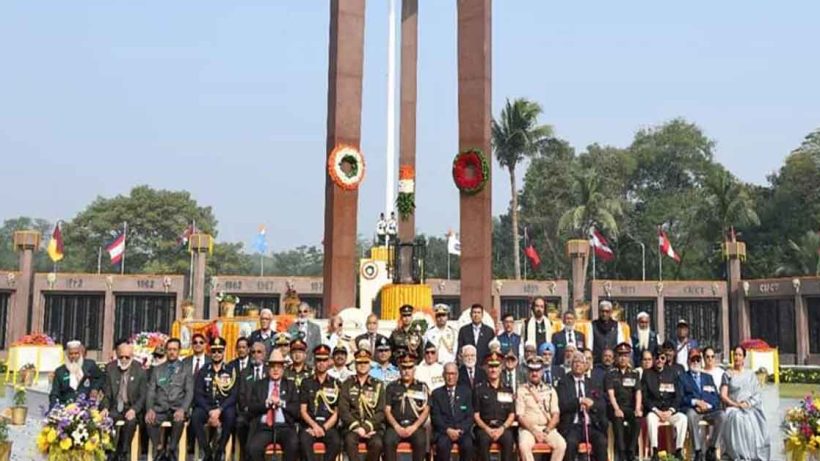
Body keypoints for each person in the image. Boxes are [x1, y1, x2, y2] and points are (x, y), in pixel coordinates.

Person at [245, 349, 299, 461]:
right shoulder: (259, 385)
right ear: (268, 368)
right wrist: (266, 403)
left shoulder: (290, 385)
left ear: (283, 369)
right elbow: (251, 407)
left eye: (279, 367)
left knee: (293, 445)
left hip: (285, 426)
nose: (275, 369)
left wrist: (282, 403)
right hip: (265, 428)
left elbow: (296, 410)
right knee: (253, 448)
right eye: (272, 366)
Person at [145, 338, 194, 461]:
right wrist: (150, 409)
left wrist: (183, 409)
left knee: (179, 420)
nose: (172, 352)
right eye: (169, 349)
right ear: (166, 351)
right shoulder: (157, 369)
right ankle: (159, 448)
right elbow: (151, 392)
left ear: (179, 351)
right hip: (160, 408)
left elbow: (189, 392)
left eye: (174, 349)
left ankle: (172, 449)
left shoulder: (186, 369)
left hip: (177, 408)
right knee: (149, 420)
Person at [719, 345, 770, 461]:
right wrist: (736, 404)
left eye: (740, 355)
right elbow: (723, 395)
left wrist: (748, 403)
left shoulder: (750, 375)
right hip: (733, 407)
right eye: (735, 355)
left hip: (749, 407)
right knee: (738, 418)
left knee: (751, 418)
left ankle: (752, 455)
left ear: (744, 358)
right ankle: (738, 455)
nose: (737, 357)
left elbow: (757, 394)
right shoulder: (727, 374)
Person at [556, 351, 609, 461]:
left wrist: (592, 404)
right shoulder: (564, 383)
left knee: (601, 441)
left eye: (581, 362)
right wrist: (579, 401)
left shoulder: (593, 383)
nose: (578, 364)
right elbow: (562, 405)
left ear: (586, 366)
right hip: (572, 426)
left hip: (590, 425)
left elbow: (602, 405)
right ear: (571, 365)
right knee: (570, 443)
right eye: (575, 362)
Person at [192, 336, 238, 461]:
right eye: (214, 351)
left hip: (223, 407)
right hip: (208, 407)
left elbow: (233, 395)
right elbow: (198, 394)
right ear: (210, 352)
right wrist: (209, 411)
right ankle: (207, 451)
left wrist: (220, 410)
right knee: (195, 416)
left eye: (219, 351)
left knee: (231, 415)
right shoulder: (204, 370)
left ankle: (220, 449)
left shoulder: (230, 370)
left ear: (224, 352)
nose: (217, 354)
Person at [101, 341, 147, 461]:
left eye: (127, 357)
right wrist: (105, 407)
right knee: (107, 419)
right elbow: (107, 393)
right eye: (121, 357)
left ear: (132, 356)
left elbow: (143, 396)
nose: (124, 359)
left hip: (131, 407)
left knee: (130, 421)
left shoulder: (140, 370)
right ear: (117, 355)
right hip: (115, 406)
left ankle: (123, 452)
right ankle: (110, 452)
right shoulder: (110, 368)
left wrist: (134, 410)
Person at [339, 349, 386, 461]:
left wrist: (365, 428)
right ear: (355, 364)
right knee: (349, 441)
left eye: (365, 362)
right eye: (360, 363)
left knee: (377, 443)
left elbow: (381, 411)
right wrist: (357, 427)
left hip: (372, 427)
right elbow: (343, 410)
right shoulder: (347, 384)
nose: (362, 365)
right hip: (352, 427)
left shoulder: (378, 385)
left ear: (370, 364)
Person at [516, 357, 566, 461]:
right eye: (531, 370)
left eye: (537, 370)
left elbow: (556, 415)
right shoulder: (521, 390)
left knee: (561, 445)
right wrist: (534, 431)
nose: (534, 373)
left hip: (547, 428)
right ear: (527, 372)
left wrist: (546, 431)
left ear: (542, 371)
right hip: (528, 429)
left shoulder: (550, 390)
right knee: (523, 446)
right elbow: (520, 416)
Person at [678, 348, 724, 461]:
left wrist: (707, 405)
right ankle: (698, 451)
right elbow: (680, 398)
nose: (695, 362)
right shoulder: (682, 378)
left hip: (709, 410)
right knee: (690, 415)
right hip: (693, 409)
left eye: (698, 359)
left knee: (723, 416)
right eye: (693, 360)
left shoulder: (708, 377)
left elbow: (715, 397)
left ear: (701, 361)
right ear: (688, 361)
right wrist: (695, 402)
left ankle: (712, 449)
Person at [299, 344, 342, 461]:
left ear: (329, 361)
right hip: (310, 426)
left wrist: (323, 428)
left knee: (336, 442)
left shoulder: (336, 383)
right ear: (314, 361)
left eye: (324, 360)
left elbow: (337, 412)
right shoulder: (306, 382)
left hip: (328, 426)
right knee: (303, 442)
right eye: (318, 360)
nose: (321, 363)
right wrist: (314, 426)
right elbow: (303, 410)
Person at [641, 348, 686, 459]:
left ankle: (678, 450)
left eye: (662, 358)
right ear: (653, 359)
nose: (659, 360)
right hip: (655, 411)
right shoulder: (647, 374)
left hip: (669, 411)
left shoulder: (672, 373)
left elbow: (678, 395)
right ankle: (655, 450)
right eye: (657, 358)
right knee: (650, 418)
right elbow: (645, 397)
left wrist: (671, 410)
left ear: (665, 359)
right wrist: (656, 411)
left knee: (683, 419)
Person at [383, 354, 429, 461]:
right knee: (388, 441)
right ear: (399, 369)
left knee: (421, 441)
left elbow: (426, 410)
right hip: (396, 425)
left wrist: (414, 427)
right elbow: (387, 410)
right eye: (404, 368)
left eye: (409, 368)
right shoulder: (391, 387)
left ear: (414, 369)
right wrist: (396, 426)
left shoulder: (422, 387)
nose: (406, 371)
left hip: (415, 425)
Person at [473, 351, 515, 461]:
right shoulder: (479, 389)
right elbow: (476, 415)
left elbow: (511, 414)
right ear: (486, 368)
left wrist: (502, 428)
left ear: (501, 368)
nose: (493, 370)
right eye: (490, 366)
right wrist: (487, 429)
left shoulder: (507, 389)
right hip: (484, 428)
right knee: (482, 441)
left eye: (496, 366)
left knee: (509, 439)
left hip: (502, 427)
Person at [430, 363, 474, 461]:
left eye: (453, 374)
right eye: (448, 374)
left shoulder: (466, 392)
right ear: (443, 375)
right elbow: (436, 417)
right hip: (444, 432)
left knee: (468, 445)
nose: (450, 377)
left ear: (457, 375)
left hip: (462, 431)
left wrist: (461, 430)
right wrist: (447, 430)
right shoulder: (436, 394)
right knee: (442, 446)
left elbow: (470, 416)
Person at [606, 343, 642, 461]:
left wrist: (637, 408)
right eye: (620, 355)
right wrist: (616, 409)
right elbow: (611, 393)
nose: (623, 358)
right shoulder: (611, 374)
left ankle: (631, 451)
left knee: (637, 419)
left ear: (629, 357)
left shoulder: (634, 373)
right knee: (618, 419)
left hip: (630, 407)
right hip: (615, 407)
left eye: (626, 355)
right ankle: (621, 452)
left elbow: (638, 392)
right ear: (616, 357)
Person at [236, 341, 268, 461]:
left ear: (264, 354)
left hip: (266, 412)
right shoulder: (245, 373)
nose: (256, 355)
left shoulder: (269, 372)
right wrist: (248, 408)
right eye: (253, 352)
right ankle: (245, 454)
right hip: (249, 412)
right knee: (240, 422)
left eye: (259, 352)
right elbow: (241, 396)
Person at [49, 340, 104, 407]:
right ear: (67, 355)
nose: (73, 356)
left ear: (80, 354)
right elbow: (54, 393)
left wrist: (95, 388)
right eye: (71, 354)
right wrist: (53, 408)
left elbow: (101, 377)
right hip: (66, 408)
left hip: (86, 406)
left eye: (76, 353)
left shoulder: (90, 365)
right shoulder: (60, 371)